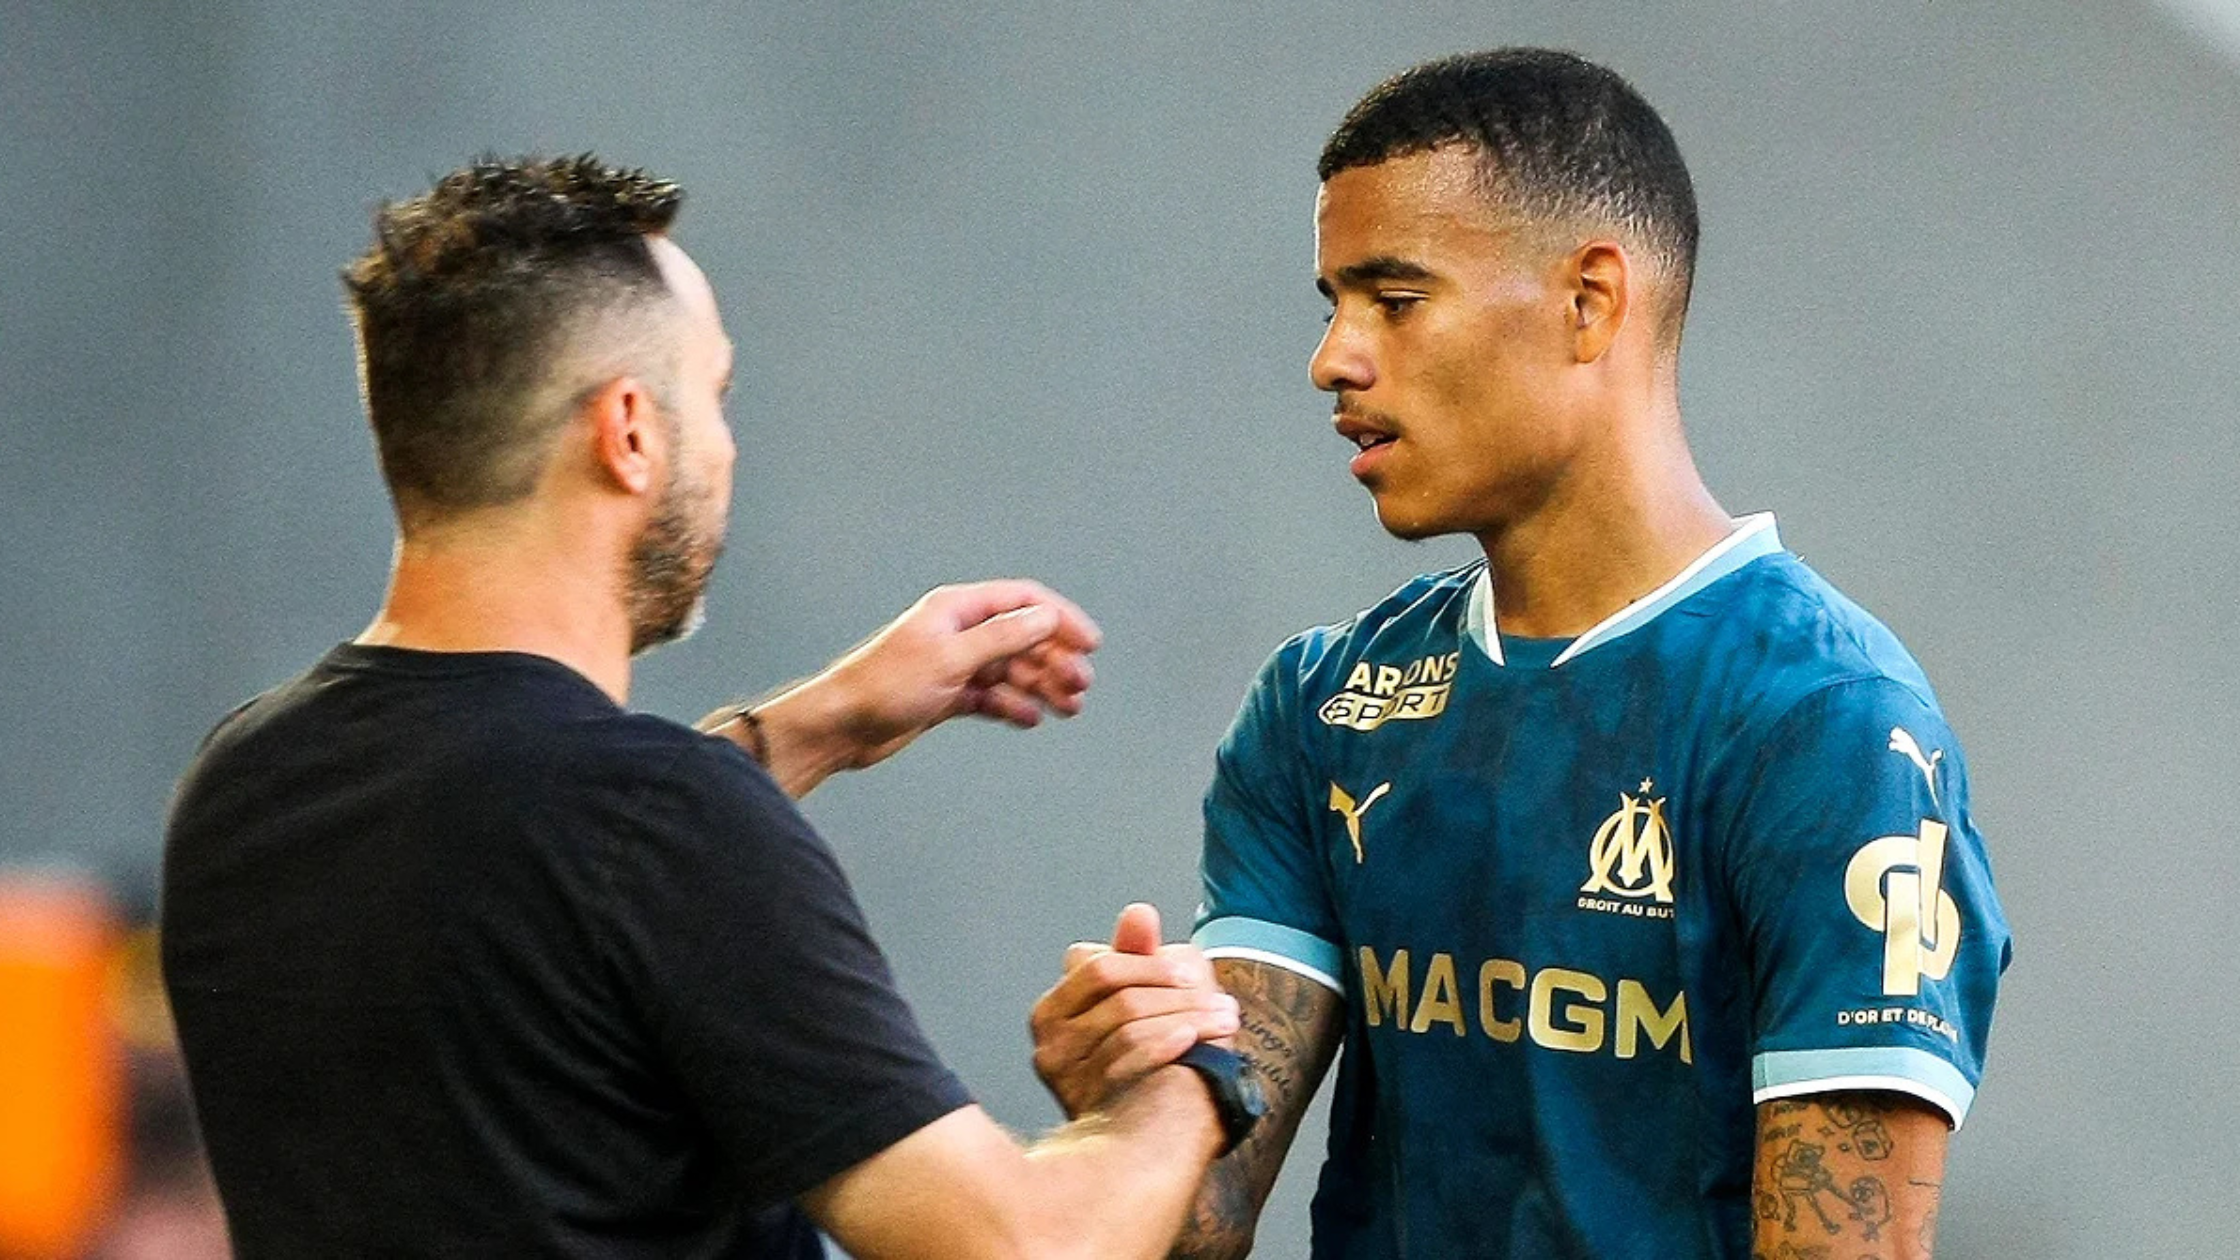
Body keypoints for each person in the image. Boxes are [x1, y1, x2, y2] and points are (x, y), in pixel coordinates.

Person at [160, 155, 1253, 1259]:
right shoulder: (653, 820)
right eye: (715, 397)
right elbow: (1026, 1248)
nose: (726, 446)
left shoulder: (247, 779)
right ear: (629, 431)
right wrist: (1196, 1073)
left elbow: (525, 877)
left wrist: (806, 728)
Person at [1030, 49, 2011, 1258]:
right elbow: (1196, 1228)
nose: (1331, 358)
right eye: (1330, 303)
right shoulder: (1323, 707)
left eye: (1392, 299)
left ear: (1588, 301)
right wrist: (1127, 1111)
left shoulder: (1828, 726)